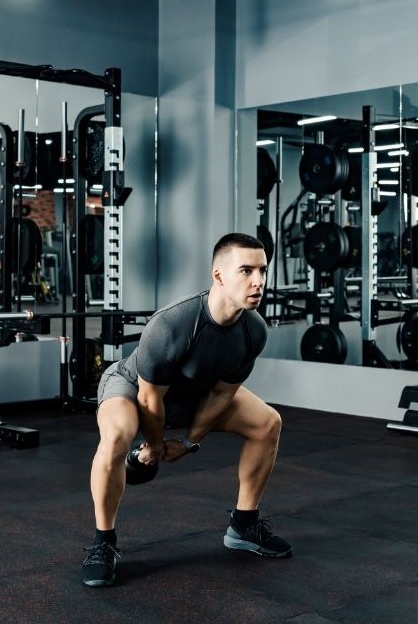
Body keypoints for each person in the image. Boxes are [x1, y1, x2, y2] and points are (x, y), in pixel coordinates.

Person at [82, 232, 292, 587]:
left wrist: (190, 441)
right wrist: (154, 446)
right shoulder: (173, 323)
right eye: (246, 271)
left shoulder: (253, 331)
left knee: (268, 422)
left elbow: (224, 394)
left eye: (263, 271)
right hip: (133, 388)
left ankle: (243, 525)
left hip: (194, 393)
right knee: (116, 436)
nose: (258, 281)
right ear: (219, 275)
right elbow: (150, 399)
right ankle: (103, 542)